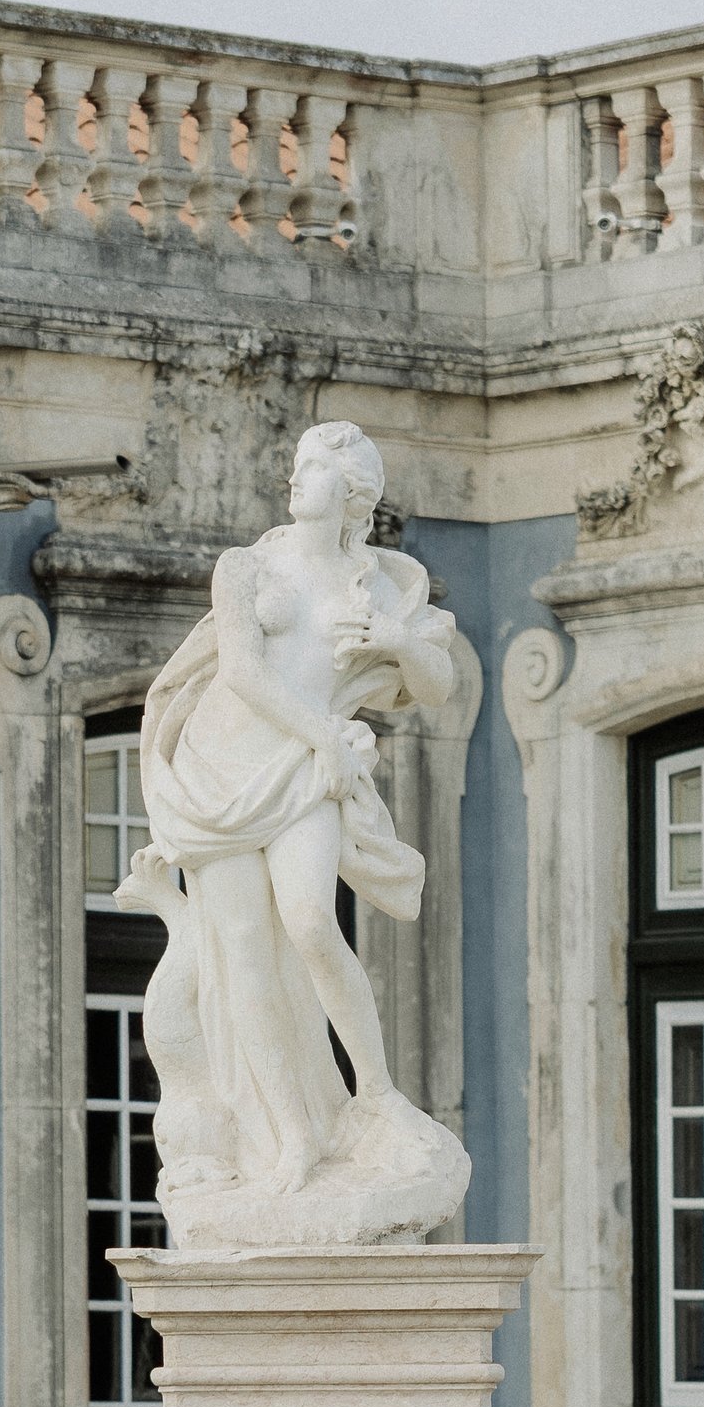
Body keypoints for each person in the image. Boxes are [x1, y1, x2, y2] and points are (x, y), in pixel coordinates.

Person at [120, 419, 469, 1236]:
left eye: (312, 467)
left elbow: (440, 680)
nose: (294, 478)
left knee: (312, 923)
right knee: (242, 959)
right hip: (222, 769)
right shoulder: (246, 566)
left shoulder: (377, 586)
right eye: (298, 464)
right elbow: (238, 671)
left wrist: (394, 642)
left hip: (304, 776)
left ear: (352, 493)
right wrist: (325, 734)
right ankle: (293, 1136)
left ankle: (374, 1094)